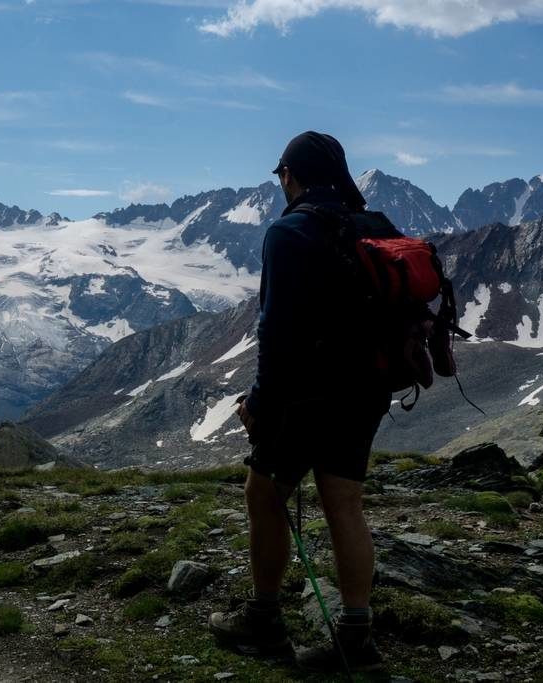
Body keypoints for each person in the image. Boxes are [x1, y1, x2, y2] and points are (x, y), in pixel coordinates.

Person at [207, 131, 391, 673]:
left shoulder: (289, 232)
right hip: (367, 394)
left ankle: (264, 620)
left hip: (307, 397)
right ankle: (357, 638)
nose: (280, 183)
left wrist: (259, 402)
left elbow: (277, 330)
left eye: (280, 174)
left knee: (263, 495)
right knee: (345, 503)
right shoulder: (375, 227)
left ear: (291, 174)